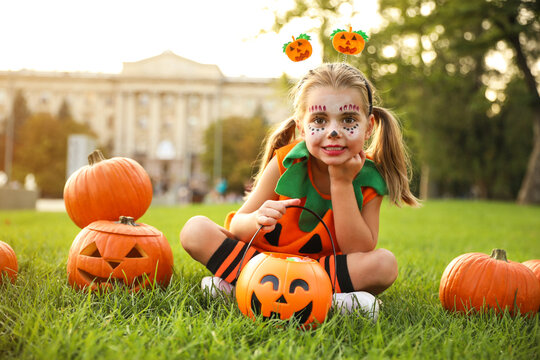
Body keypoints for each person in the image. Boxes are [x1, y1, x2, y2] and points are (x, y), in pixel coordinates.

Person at [180, 62, 419, 320]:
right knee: (195, 230)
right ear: (302, 127)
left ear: (369, 126)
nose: (334, 132)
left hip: (320, 271)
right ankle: (316, 299)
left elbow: (358, 248)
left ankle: (255, 291)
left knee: (384, 265)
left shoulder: (370, 178)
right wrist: (258, 219)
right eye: (319, 120)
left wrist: (342, 183)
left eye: (348, 120)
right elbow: (238, 226)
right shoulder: (286, 162)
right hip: (263, 262)